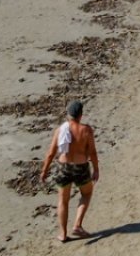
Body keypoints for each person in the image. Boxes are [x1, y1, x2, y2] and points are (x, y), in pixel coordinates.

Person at [38, 99, 100, 243]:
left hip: (63, 167)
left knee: (63, 201)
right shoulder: (86, 130)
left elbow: (51, 153)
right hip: (81, 167)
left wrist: (44, 171)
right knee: (87, 193)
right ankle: (77, 225)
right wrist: (96, 169)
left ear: (68, 115)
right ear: (81, 115)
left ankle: (63, 234)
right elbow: (93, 152)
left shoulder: (60, 129)